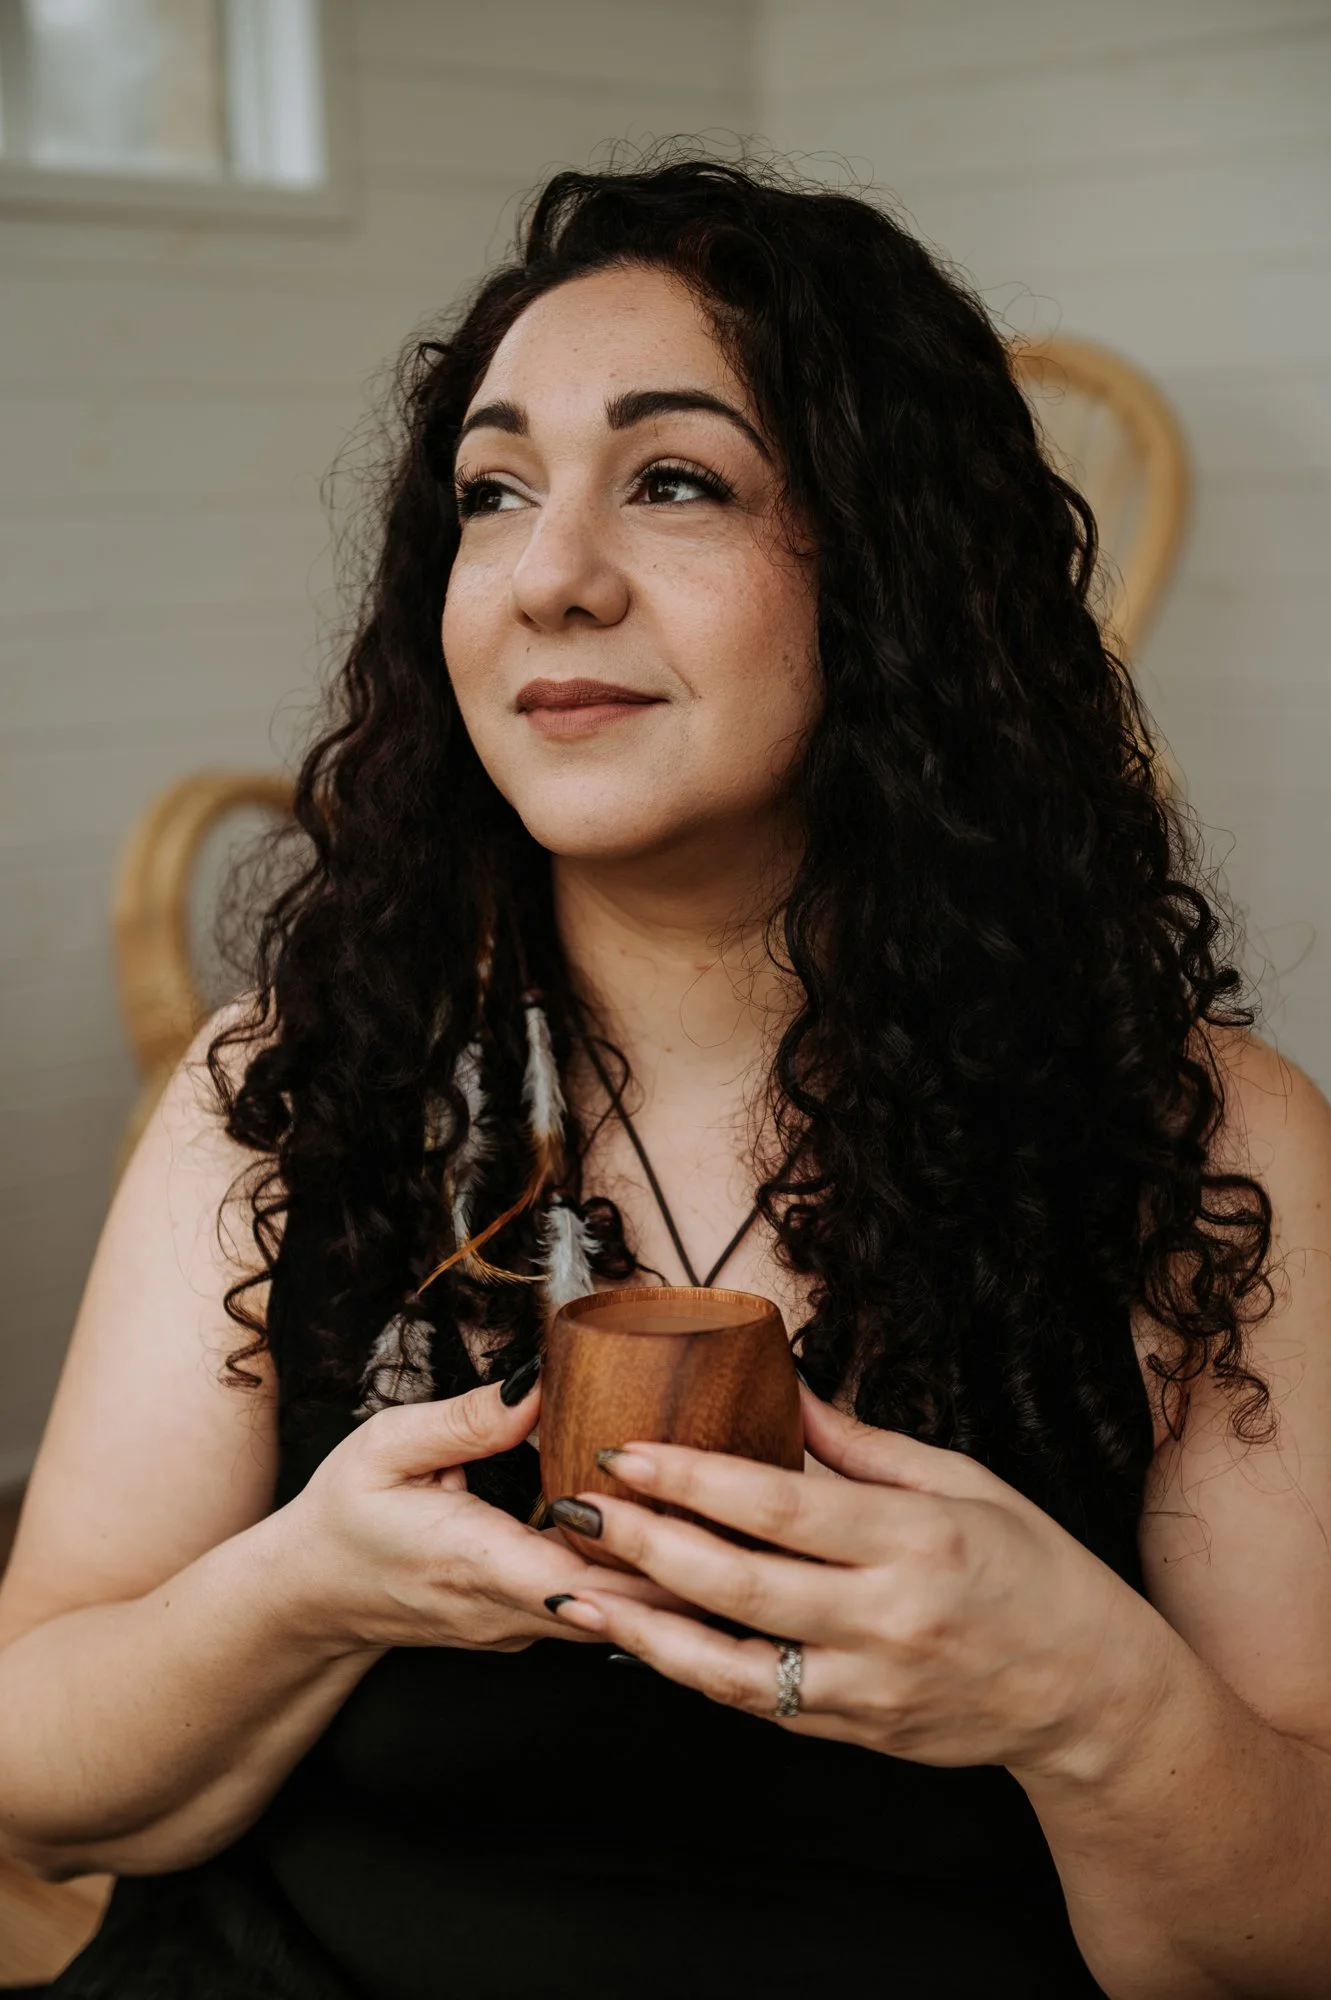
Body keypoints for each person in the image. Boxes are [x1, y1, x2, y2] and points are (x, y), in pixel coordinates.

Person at [1, 154, 1328, 2000]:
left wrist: (1085, 1699)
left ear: (891, 577)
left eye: (676, 479)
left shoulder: (1203, 1144)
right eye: (491, 493)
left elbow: (1276, 1948)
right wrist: (301, 1591)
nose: (549, 576)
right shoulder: (286, 1091)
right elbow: (44, 1794)